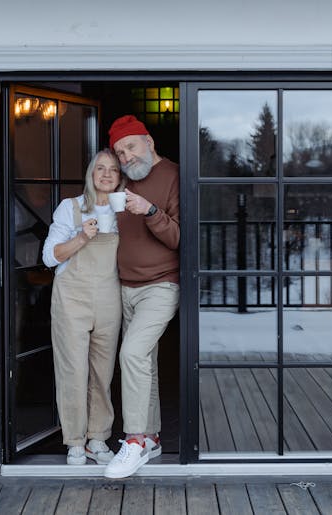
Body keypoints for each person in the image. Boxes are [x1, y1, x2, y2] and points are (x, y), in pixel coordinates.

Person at [103, 115, 180, 479]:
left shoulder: (175, 175)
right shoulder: (121, 182)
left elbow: (182, 239)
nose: (126, 157)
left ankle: (132, 441)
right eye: (120, 152)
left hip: (161, 285)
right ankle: (151, 437)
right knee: (143, 361)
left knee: (131, 354)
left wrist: (149, 211)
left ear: (148, 141)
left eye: (130, 146)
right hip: (123, 286)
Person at [41, 149, 124, 465]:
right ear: (91, 174)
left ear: (119, 178)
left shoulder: (123, 212)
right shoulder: (70, 208)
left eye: (113, 170)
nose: (105, 174)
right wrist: (81, 237)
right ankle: (75, 441)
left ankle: (98, 439)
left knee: (102, 372)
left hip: (108, 297)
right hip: (72, 297)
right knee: (73, 369)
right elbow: (49, 256)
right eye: (100, 168)